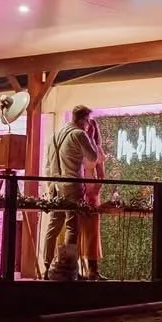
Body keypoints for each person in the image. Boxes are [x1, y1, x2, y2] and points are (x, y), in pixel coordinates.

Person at [43, 105, 101, 279]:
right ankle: (68, 270)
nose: (88, 124)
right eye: (88, 121)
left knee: (53, 227)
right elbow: (93, 157)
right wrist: (90, 137)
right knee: (71, 227)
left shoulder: (55, 135)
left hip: (54, 185)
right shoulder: (79, 134)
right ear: (83, 119)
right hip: (71, 184)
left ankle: (47, 268)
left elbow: (47, 163)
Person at [76, 113, 106, 281]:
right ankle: (78, 269)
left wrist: (95, 190)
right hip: (79, 189)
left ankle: (93, 270)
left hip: (92, 191)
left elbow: (102, 174)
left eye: (93, 127)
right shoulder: (79, 146)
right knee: (77, 229)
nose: (90, 129)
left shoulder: (98, 150)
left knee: (93, 231)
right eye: (88, 126)